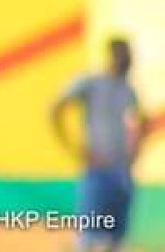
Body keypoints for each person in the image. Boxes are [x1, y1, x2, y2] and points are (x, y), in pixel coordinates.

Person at [51, 37, 150, 251]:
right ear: (111, 57)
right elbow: (57, 108)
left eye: (129, 56)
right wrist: (73, 146)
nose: (128, 61)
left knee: (117, 240)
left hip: (122, 174)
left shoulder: (129, 90)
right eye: (123, 55)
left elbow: (138, 125)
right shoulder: (91, 83)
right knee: (88, 237)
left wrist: (134, 156)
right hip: (98, 172)